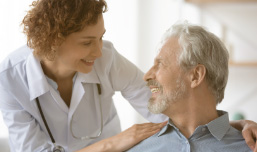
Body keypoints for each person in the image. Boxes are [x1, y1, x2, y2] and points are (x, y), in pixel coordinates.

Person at [0, 0, 256, 151]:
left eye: (101, 37)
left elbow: (166, 104)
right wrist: (113, 145)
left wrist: (224, 127)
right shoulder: (11, 79)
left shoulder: (106, 58)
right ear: (54, 42)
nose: (99, 51)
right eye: (88, 42)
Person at [127, 22, 256, 152]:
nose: (147, 76)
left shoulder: (249, 147)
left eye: (160, 64)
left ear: (195, 75)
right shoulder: (136, 148)